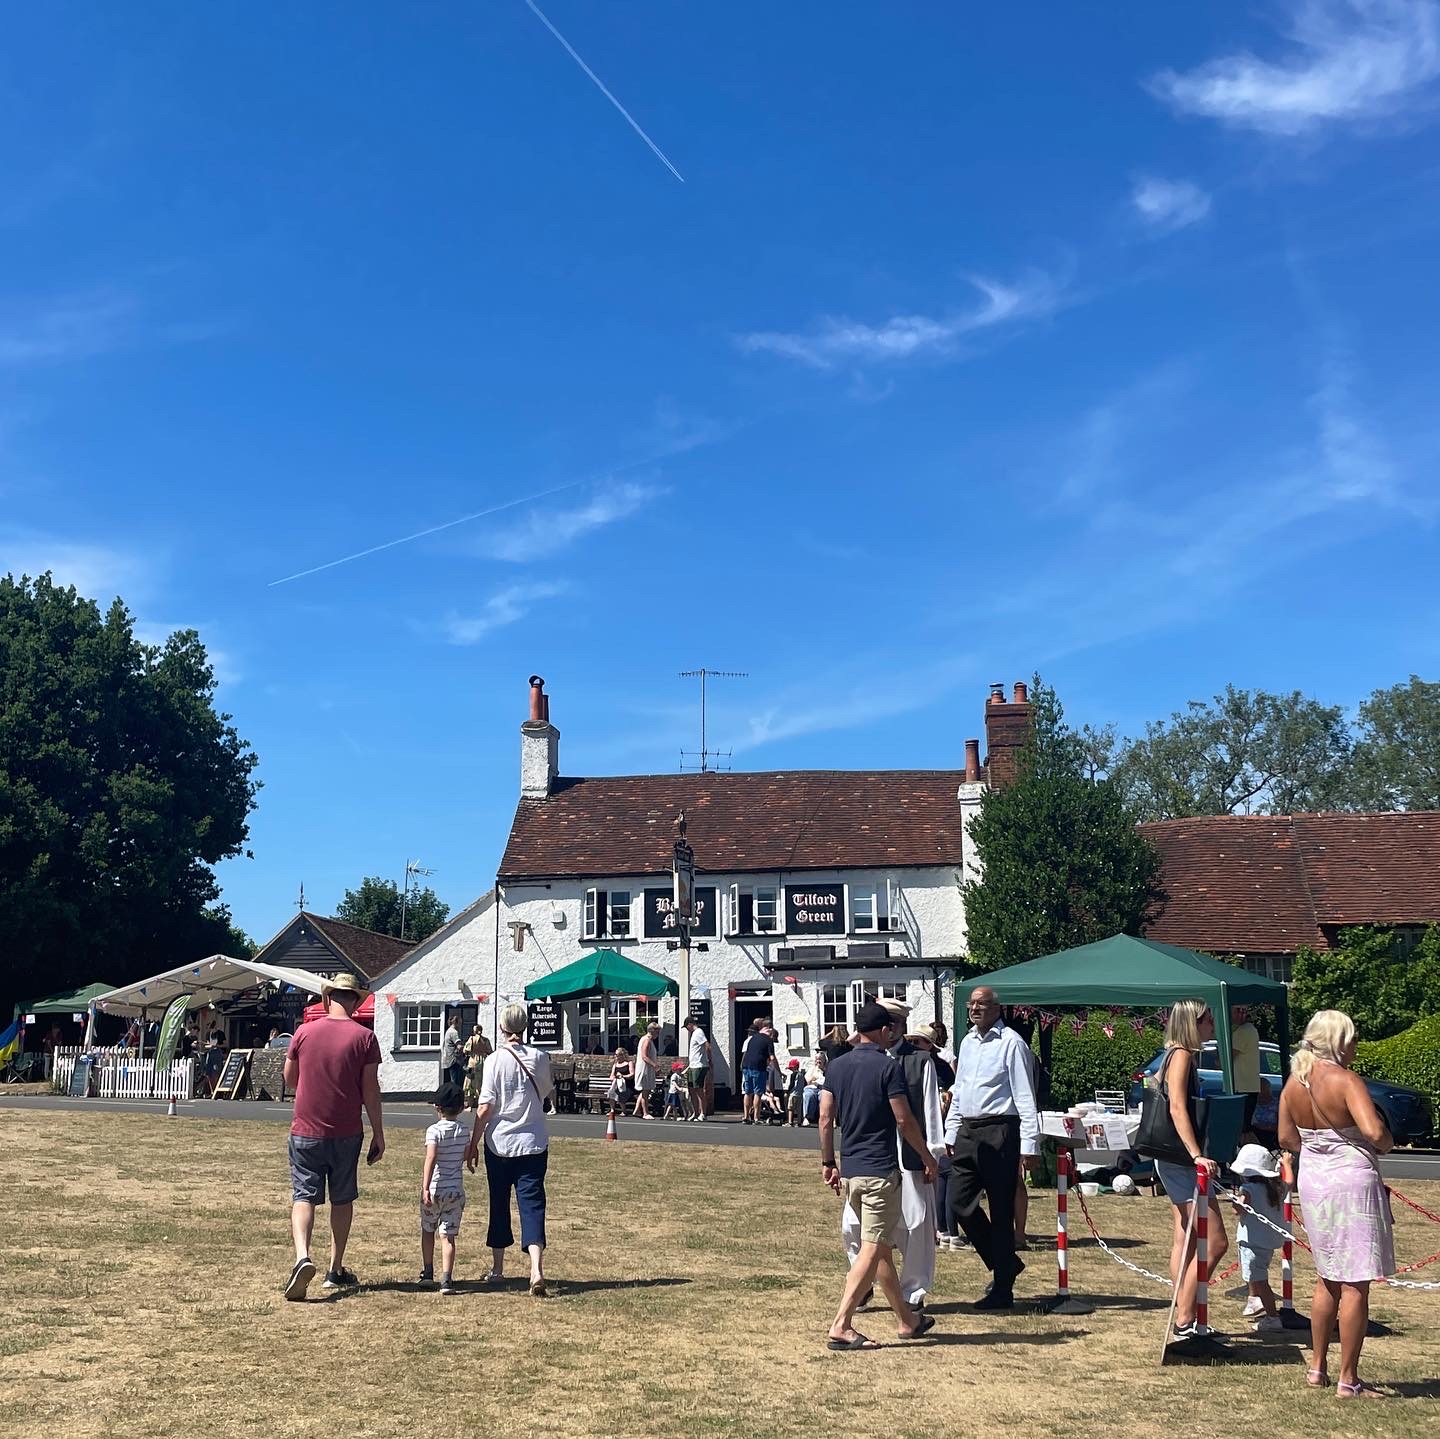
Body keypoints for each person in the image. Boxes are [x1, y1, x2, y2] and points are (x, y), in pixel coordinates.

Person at [1278, 1009, 1394, 1398]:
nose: (1356, 1044)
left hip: (1315, 1180)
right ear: (1338, 1042)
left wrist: (1318, 1148)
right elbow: (1374, 1131)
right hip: (1351, 1180)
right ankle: (1349, 1377)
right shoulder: (1346, 1080)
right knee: (1355, 1281)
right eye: (1353, 1037)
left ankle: (1317, 1367)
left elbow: (1286, 1138)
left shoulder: (1295, 1082)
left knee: (1327, 1275)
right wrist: (1386, 1142)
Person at [819, 1001, 938, 1350]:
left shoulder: (837, 1066)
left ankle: (907, 1319)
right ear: (885, 1030)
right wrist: (927, 1156)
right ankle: (841, 1324)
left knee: (880, 1246)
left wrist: (828, 1162)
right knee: (873, 1247)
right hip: (880, 1171)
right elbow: (904, 1119)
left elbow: (825, 1118)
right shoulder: (888, 1066)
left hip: (852, 1170)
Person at [281, 973, 384, 1301]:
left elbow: (289, 1078)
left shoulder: (303, 1032)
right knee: (342, 1198)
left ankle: (302, 1256)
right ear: (356, 1002)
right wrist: (379, 1133)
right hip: (346, 1131)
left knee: (304, 1196)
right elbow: (370, 1090)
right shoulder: (365, 1038)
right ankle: (334, 1268)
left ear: (328, 999)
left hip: (305, 1129)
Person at [943, 985, 1040, 1309]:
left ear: (997, 1008)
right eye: (972, 1004)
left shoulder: (1011, 1043)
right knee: (958, 1202)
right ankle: (1006, 1263)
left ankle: (1002, 1289)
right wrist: (951, 1132)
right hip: (968, 1130)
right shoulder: (967, 1042)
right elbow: (960, 1089)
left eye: (982, 1004)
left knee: (1001, 1211)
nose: (975, 1009)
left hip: (1000, 1129)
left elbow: (1024, 1096)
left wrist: (1030, 1145)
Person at [1151, 998, 1229, 1340]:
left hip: (1171, 1157)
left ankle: (1184, 1312)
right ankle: (1185, 1316)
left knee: (1185, 1237)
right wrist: (1197, 1154)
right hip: (1182, 1158)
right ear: (1193, 1023)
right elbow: (1178, 1108)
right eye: (1208, 1019)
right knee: (1216, 1241)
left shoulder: (1173, 1054)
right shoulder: (1181, 1055)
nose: (1212, 1025)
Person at [465, 1002, 554, 1296]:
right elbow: (546, 1091)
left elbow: (485, 1108)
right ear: (525, 1027)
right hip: (533, 1141)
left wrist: (473, 1143)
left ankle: (498, 1268)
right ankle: (536, 1269)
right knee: (533, 1203)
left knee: (499, 1202)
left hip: (500, 1143)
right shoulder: (540, 1057)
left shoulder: (494, 1060)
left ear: (502, 1028)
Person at [420, 1081, 471, 1294]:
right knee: (448, 1236)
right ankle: (447, 1278)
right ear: (460, 1108)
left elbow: (431, 1157)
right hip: (455, 1190)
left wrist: (425, 1187)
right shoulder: (464, 1130)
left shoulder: (434, 1131)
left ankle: (428, 1272)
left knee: (428, 1230)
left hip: (435, 1188)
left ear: (437, 1107)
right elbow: (466, 1154)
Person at [1228, 1142, 1286, 1332]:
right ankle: (1255, 1301)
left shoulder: (1249, 1189)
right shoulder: (1275, 1189)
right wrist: (1286, 1165)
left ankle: (1272, 1316)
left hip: (1251, 1241)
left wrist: (1235, 1200)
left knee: (1259, 1280)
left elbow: (1238, 1209)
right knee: (1258, 1275)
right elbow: (1289, 1182)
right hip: (1267, 1242)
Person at [1231, 1007, 1270, 1136]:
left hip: (1241, 1087)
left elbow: (1226, 1058)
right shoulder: (1250, 1030)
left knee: (1240, 1130)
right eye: (1237, 1010)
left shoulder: (1243, 1031)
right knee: (1244, 1128)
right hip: (1247, 1086)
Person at [739, 1017, 775, 1124]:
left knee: (747, 1092)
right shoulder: (768, 1040)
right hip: (758, 1067)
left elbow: (748, 1052)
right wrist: (776, 1069)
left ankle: (746, 1117)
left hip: (746, 1066)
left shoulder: (753, 1038)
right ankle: (756, 1118)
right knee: (758, 1093)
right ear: (769, 1030)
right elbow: (772, 1058)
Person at [682, 1014, 711, 1121]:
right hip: (693, 1065)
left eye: (687, 1027)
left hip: (699, 1065)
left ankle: (703, 1113)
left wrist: (709, 1060)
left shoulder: (699, 1032)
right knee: (691, 1089)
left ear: (690, 1024)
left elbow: (707, 1045)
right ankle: (695, 1113)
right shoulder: (694, 1034)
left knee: (699, 1089)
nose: (687, 1029)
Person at [632, 1021, 661, 1119]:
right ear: (652, 1031)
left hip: (647, 1068)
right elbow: (644, 1056)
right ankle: (645, 1113)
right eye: (657, 1032)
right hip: (645, 1069)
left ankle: (637, 1110)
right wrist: (655, 1065)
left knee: (645, 1090)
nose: (658, 1034)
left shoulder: (648, 1040)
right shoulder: (647, 1040)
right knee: (646, 1091)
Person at [464, 1024, 492, 1108]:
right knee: (481, 1081)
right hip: (483, 1061)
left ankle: (470, 1102)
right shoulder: (486, 1040)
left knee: (470, 1081)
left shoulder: (472, 1039)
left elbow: (466, 1050)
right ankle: (480, 1101)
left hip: (473, 1061)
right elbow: (490, 1051)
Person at [441, 1011, 464, 1090]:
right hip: (455, 1060)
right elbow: (459, 1046)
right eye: (459, 1022)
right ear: (456, 1022)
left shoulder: (448, 1031)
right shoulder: (454, 1032)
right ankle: (455, 1096)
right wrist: (468, 1048)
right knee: (456, 1082)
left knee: (453, 1080)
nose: (460, 1024)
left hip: (449, 1058)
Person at [607, 1047, 633, 1113]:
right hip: (618, 1085)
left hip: (627, 1085)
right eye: (615, 1055)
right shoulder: (615, 1065)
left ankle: (623, 1111)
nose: (616, 1056)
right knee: (611, 1092)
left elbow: (632, 1074)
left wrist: (623, 1076)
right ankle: (612, 1110)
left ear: (622, 1055)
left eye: (617, 1055)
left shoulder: (629, 1063)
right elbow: (611, 1076)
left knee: (621, 1093)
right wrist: (614, 1077)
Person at [784, 1059, 805, 1126]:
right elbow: (805, 1083)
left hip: (793, 1093)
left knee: (790, 1108)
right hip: (800, 1094)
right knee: (799, 1109)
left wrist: (787, 1092)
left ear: (794, 1067)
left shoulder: (793, 1074)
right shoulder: (801, 1075)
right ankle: (799, 1122)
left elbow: (792, 1084)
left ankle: (790, 1122)